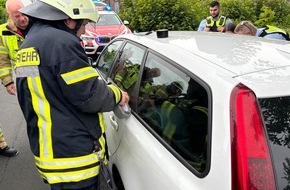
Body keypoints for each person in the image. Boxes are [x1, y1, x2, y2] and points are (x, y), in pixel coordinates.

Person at [15, 0, 129, 189]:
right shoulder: (62, 43)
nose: (84, 31)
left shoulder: (28, 45)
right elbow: (90, 96)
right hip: (74, 157)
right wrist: (117, 94)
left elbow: (45, 91)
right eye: (84, 24)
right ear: (69, 19)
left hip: (49, 152)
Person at [0, 0, 30, 157]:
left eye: (24, 13)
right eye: (17, 16)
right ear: (9, 16)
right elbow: (2, 59)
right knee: (32, 116)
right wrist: (8, 81)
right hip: (24, 81)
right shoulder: (3, 32)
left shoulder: (40, 24)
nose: (22, 18)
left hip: (47, 79)